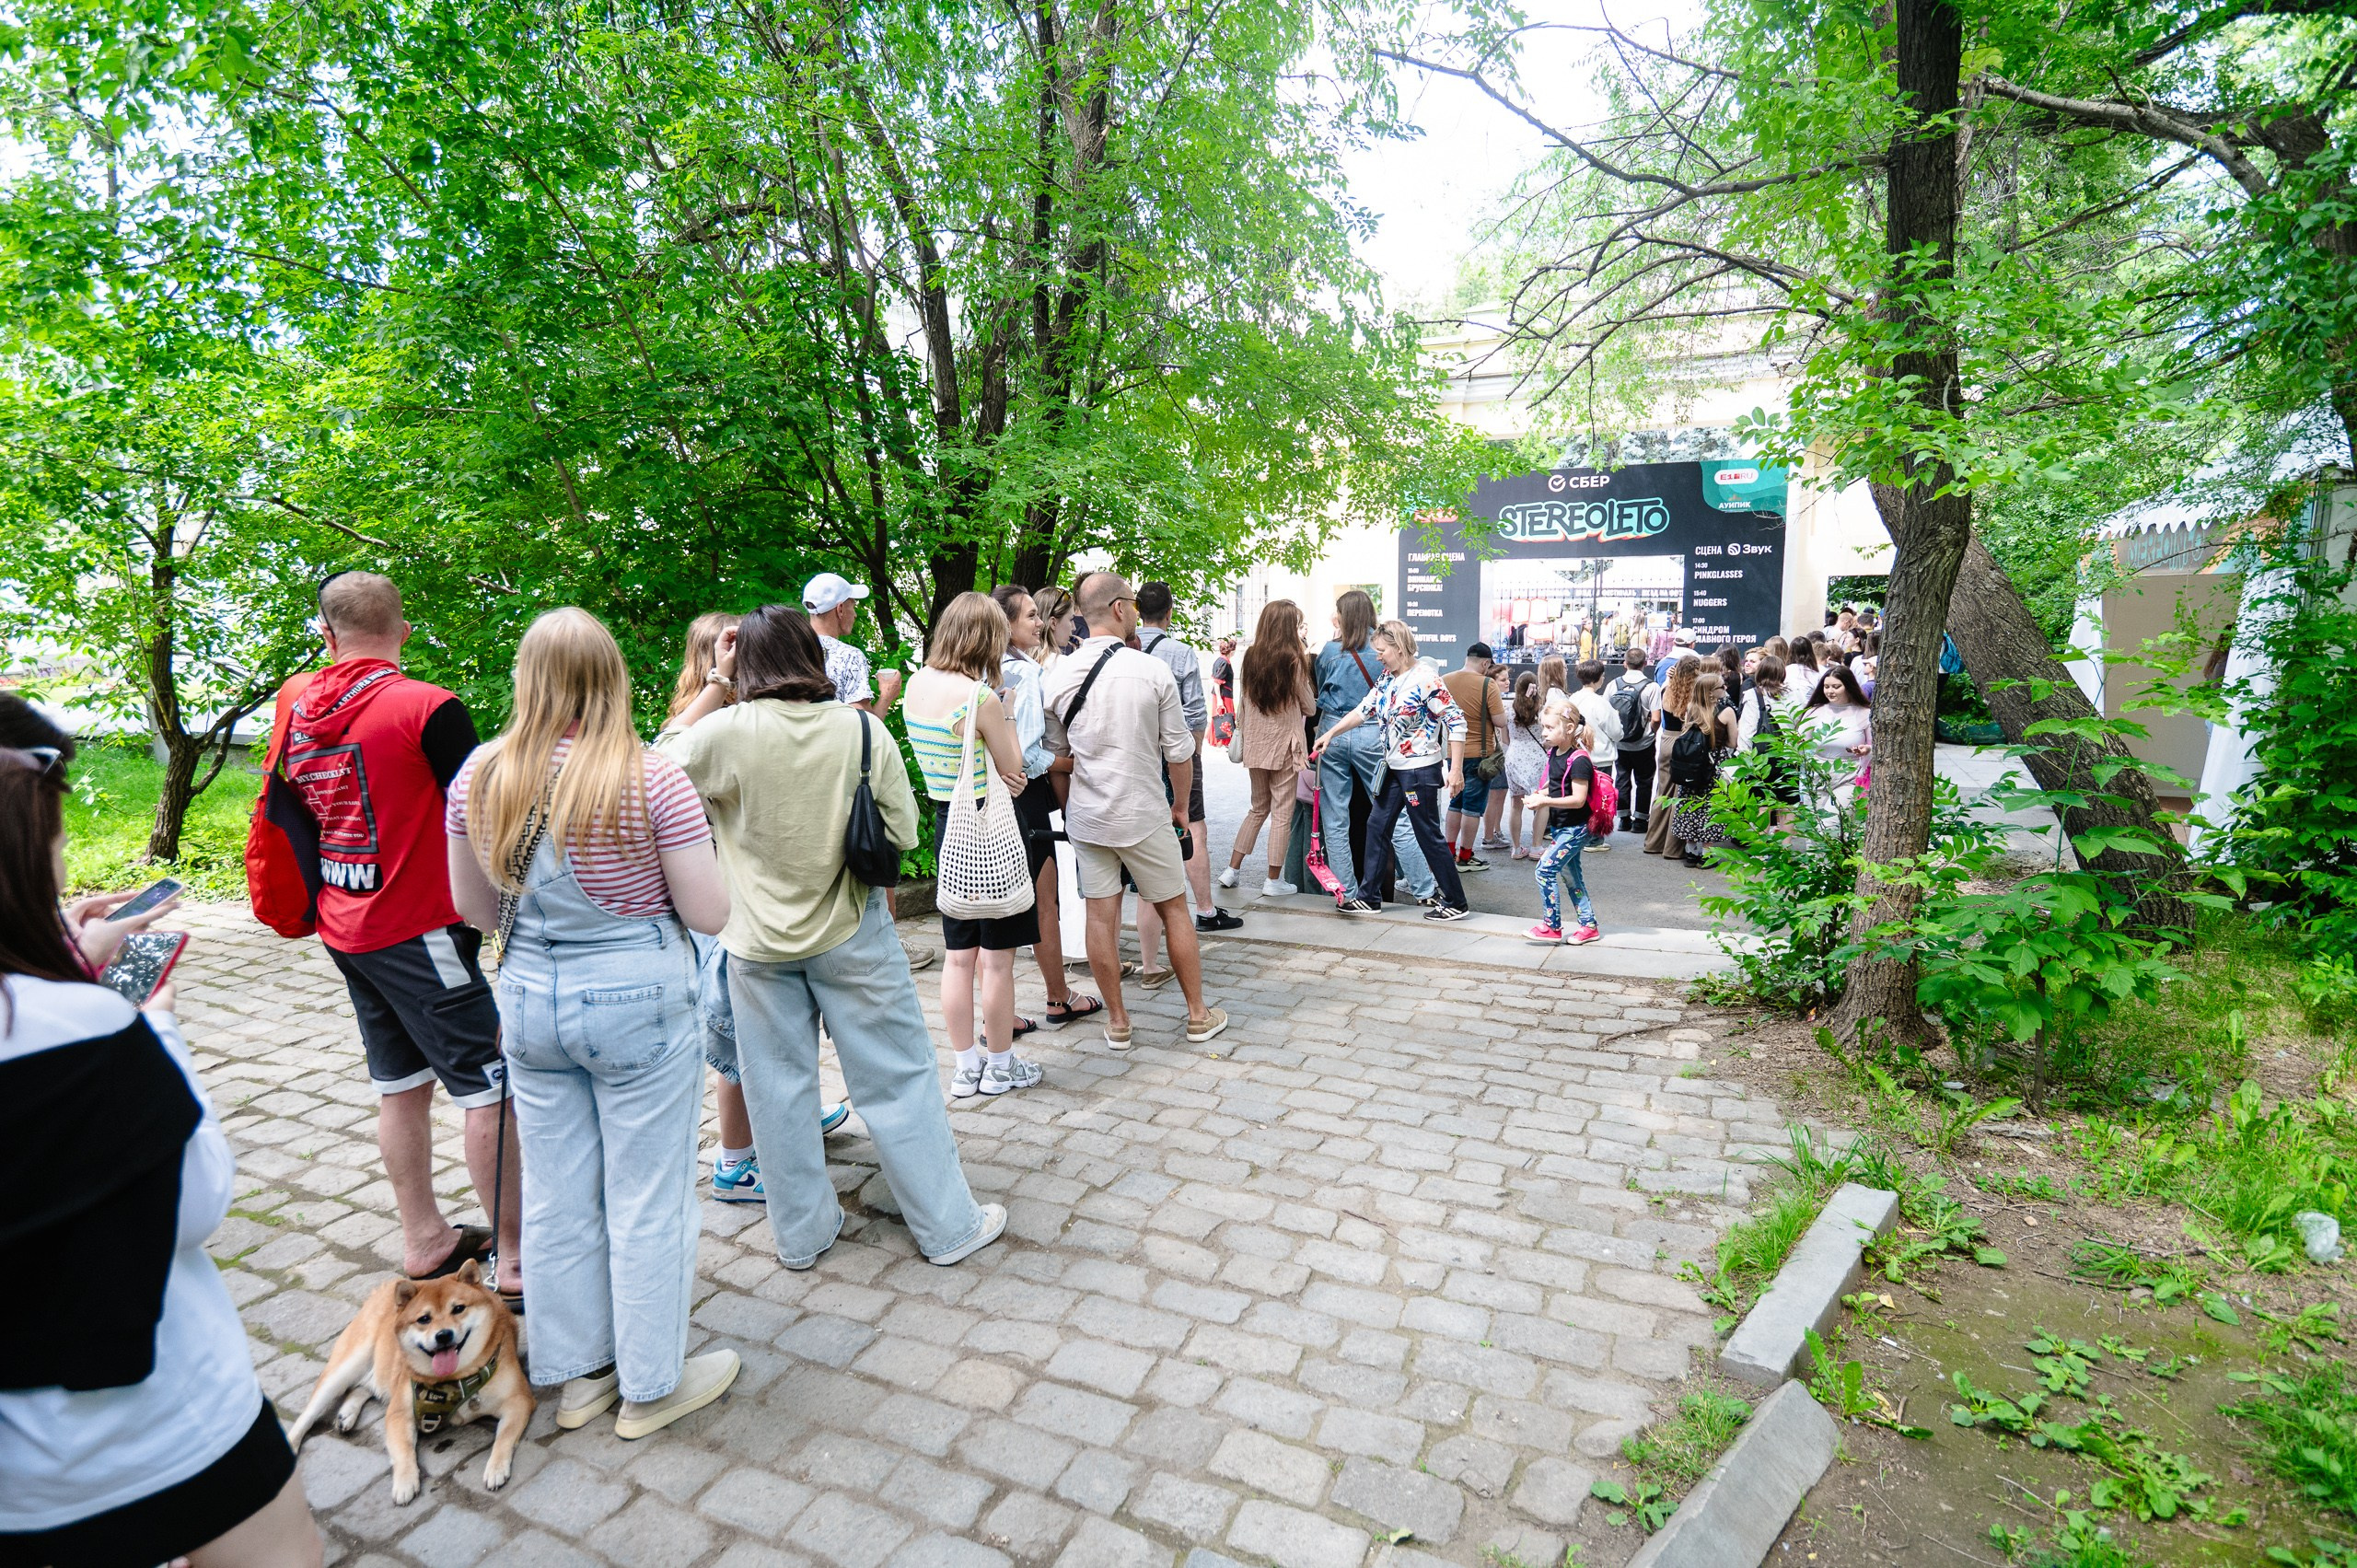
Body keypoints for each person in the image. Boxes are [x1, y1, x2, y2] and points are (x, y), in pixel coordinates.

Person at [1, 746, 326, 1568]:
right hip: (163, 1422)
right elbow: (196, 1198)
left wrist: (64, 958)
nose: (65, 859)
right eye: (55, 843)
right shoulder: (85, 1027)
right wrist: (155, 1024)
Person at [445, 609, 737, 1439]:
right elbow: (709, 911)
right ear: (612, 677)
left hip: (532, 996)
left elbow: (473, 910)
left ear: (525, 677)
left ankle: (577, 1377)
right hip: (637, 998)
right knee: (648, 1195)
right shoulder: (651, 777)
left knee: (558, 1193)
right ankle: (651, 1384)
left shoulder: (478, 774)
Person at [661, 607, 1005, 1270]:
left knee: (776, 1091)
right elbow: (903, 833)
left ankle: (802, 1234)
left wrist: (714, 679)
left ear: (747, 663)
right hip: (852, 932)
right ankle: (947, 1226)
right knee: (897, 1078)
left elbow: (655, 769)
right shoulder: (860, 730)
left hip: (756, 944)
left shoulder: (725, 732)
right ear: (812, 655)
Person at [267, 573, 520, 1305]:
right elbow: (486, 816)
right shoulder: (428, 707)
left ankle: (426, 1238)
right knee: (488, 1087)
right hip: (421, 931)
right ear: (402, 630)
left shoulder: (295, 706)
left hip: (346, 925)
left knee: (400, 1085)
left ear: (326, 634)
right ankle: (513, 1257)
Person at [668, 615, 853, 1209]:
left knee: (768, 1034)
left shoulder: (730, 720)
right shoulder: (718, 724)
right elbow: (660, 763)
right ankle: (735, 1161)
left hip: (744, 905)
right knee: (737, 1043)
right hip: (727, 909)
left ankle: (789, 1118)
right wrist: (720, 683)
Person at [1041, 574, 1230, 1051]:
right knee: (1174, 909)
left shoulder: (1057, 675)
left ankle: (1119, 1023)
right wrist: (1181, 808)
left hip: (1090, 816)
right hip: (1145, 811)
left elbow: (1056, 758)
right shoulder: (1150, 670)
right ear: (1122, 609)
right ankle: (1197, 1015)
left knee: (1100, 917)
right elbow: (1179, 752)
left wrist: (1072, 813)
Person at [904, 593, 1048, 1098]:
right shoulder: (979, 698)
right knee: (998, 958)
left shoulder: (918, 683)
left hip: (949, 825)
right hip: (988, 830)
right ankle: (1001, 1066)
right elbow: (1015, 770)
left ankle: (966, 1068)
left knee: (957, 956)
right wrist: (1006, 708)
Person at [990, 585, 1101, 1028]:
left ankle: (998, 1016)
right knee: (1044, 904)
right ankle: (1058, 997)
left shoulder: (975, 669)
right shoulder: (1028, 674)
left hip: (988, 795)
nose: (1040, 622)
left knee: (996, 907)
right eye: (1031, 616)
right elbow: (1028, 752)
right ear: (1008, 624)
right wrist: (1075, 762)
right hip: (1027, 798)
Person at [1310, 621, 1472, 922]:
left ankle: (1455, 901)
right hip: (1395, 769)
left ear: (1399, 647)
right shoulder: (1388, 677)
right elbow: (1364, 710)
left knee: (1428, 835)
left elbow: (1457, 722)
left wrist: (1456, 769)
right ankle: (1369, 898)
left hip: (1419, 771)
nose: (1379, 657)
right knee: (1376, 825)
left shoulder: (1426, 679)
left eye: (1382, 651)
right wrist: (1330, 734)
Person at [1132, 581, 1238, 955]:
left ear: (1135, 610)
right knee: (1193, 826)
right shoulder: (1179, 653)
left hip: (1136, 755)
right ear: (1170, 612)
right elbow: (1194, 710)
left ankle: (1147, 933)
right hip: (1176, 752)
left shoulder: (1122, 650)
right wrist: (1190, 755)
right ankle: (1205, 910)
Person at [1219, 599, 1316, 896]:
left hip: (1256, 745)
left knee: (1257, 809)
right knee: (1283, 813)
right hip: (1285, 747)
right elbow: (1309, 707)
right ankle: (1273, 880)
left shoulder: (1250, 657)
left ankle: (1231, 870)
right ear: (1288, 626)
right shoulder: (1294, 660)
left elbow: (1243, 704)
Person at [1524, 703, 1600, 947]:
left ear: (1568, 728)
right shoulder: (1556, 753)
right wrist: (1542, 792)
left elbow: (1578, 800)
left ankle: (1551, 926)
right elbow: (1557, 782)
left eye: (1549, 727)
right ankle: (1589, 926)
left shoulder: (1579, 760)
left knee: (1544, 870)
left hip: (1575, 830)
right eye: (1543, 727)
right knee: (1572, 878)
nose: (1544, 732)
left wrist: (1544, 799)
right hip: (1562, 829)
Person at [1439, 644, 1511, 871]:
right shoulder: (1487, 684)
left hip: (1454, 754)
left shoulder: (1445, 680)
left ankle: (1448, 852)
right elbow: (1500, 721)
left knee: (1455, 803)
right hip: (1481, 756)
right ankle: (1466, 856)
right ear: (1485, 663)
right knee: (1472, 808)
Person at [805, 572, 902, 720]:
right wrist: (887, 696)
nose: (855, 614)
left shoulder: (789, 648)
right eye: (853, 606)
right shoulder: (849, 656)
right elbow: (865, 727)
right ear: (840, 609)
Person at [1667, 671, 1739, 868]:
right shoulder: (1726, 712)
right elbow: (1733, 742)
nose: (1725, 689)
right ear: (1711, 692)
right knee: (1710, 809)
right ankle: (1708, 854)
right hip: (1713, 766)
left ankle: (1692, 853)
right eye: (1721, 687)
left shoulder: (1691, 708)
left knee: (1690, 806)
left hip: (1691, 767)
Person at [1643, 656, 1702, 861]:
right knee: (1680, 796)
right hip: (1685, 744)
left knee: (1662, 793)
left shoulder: (1666, 690)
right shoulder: (1695, 696)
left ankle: (1653, 843)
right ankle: (1672, 848)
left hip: (1666, 741)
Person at [1565, 659, 1623, 853]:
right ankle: (1595, 839)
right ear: (1599, 679)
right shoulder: (1601, 703)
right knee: (1600, 800)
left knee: (1578, 797)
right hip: (1600, 758)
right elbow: (1616, 732)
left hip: (1575, 756)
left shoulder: (1571, 700)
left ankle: (1576, 836)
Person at [1803, 662, 1875, 806]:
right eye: (1826, 687)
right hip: (1817, 775)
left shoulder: (1864, 713)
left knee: (1834, 824)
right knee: (1816, 825)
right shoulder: (1814, 711)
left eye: (1836, 687)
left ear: (1848, 687)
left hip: (1849, 777)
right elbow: (1800, 743)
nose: (1830, 691)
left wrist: (1867, 750)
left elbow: (1876, 746)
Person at [1608, 649, 1660, 833]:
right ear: (1645, 663)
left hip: (1621, 742)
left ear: (1624, 663)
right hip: (1644, 743)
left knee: (1622, 778)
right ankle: (1640, 820)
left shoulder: (1613, 684)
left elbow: (1608, 713)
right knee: (1644, 780)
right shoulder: (1651, 687)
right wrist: (1651, 733)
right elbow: (1656, 718)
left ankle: (1623, 818)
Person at [1502, 673, 1549, 860]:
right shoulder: (1542, 711)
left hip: (1514, 756)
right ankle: (1536, 846)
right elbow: (1547, 739)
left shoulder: (1508, 710)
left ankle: (1516, 848)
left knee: (1515, 803)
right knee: (1543, 802)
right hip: (1537, 758)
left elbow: (1505, 739)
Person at [1032, 585, 1081, 669]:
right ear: (1053, 623)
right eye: (1071, 619)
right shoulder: (1063, 664)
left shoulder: (1016, 657)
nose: (1074, 627)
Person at [1210, 637, 1237, 748]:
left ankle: (1222, 741)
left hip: (1220, 694)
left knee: (1220, 717)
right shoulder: (1225, 663)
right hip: (1224, 694)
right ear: (1232, 650)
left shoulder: (1219, 660)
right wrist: (1220, 700)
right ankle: (1225, 742)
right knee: (1226, 717)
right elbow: (1217, 682)